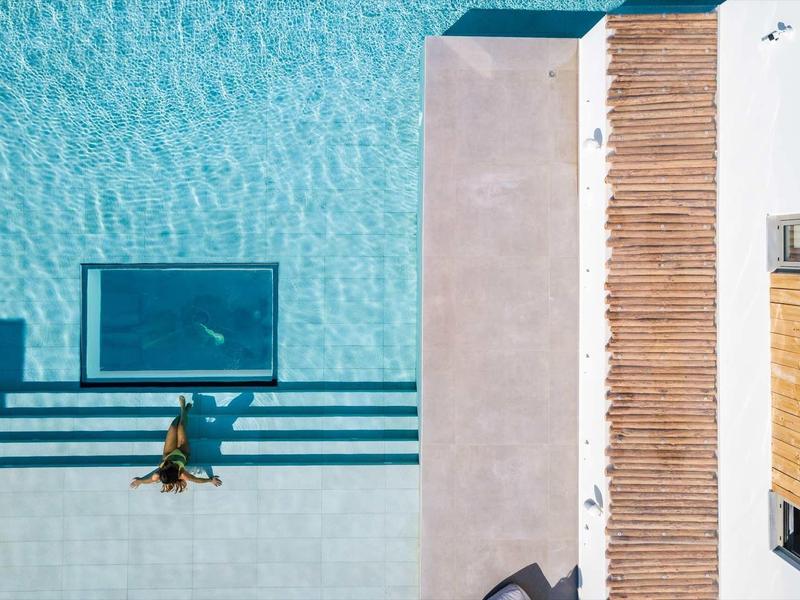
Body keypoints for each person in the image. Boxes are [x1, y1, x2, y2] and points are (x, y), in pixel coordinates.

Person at [130, 395, 222, 492]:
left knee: (174, 426)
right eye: (172, 466)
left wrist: (139, 481)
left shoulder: (157, 475)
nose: (169, 464)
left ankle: (184, 413)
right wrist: (210, 480)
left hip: (168, 453)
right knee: (181, 426)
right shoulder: (182, 474)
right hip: (183, 453)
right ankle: (183, 410)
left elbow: (147, 480)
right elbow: (196, 480)